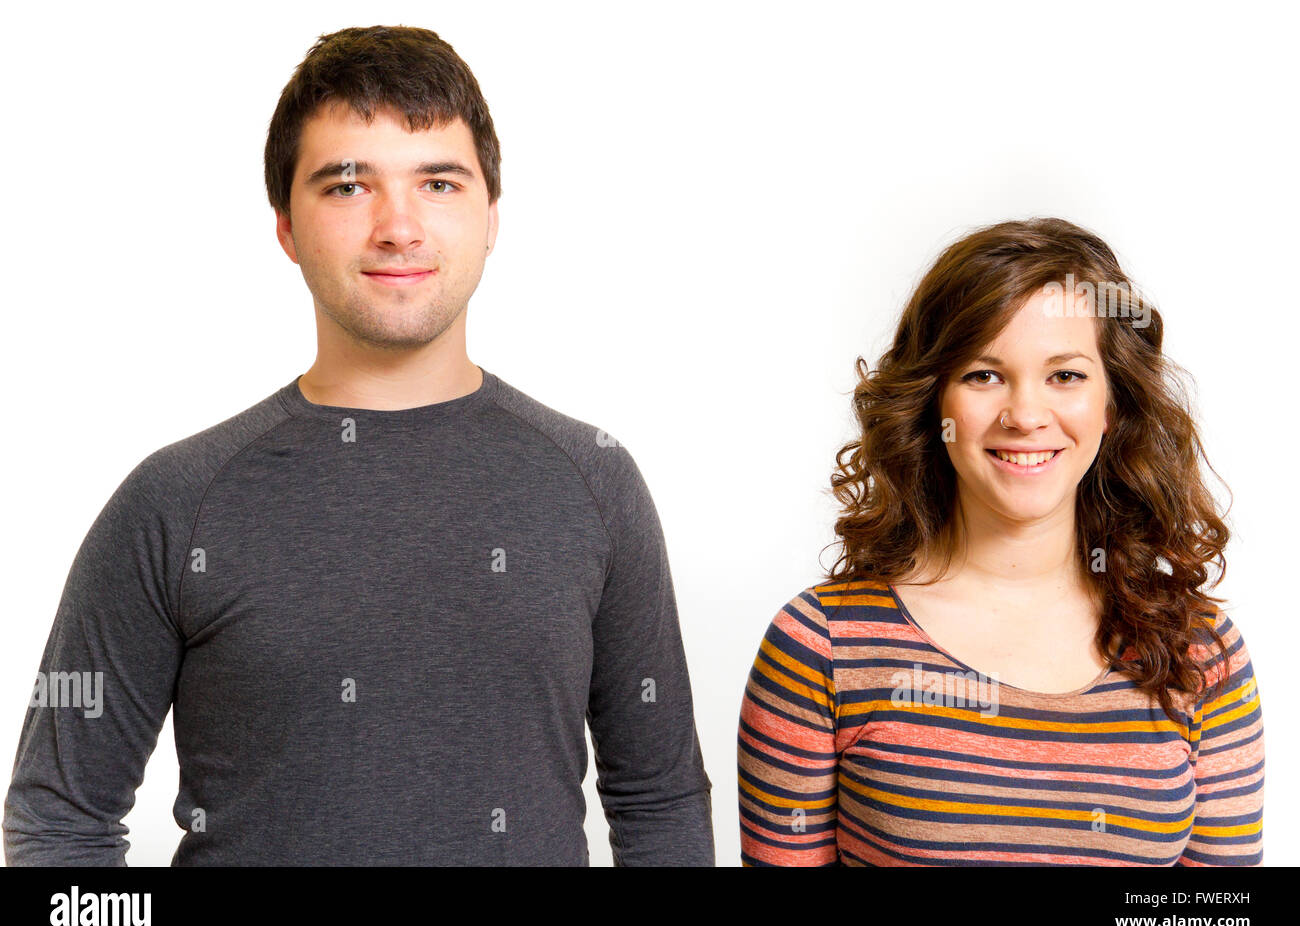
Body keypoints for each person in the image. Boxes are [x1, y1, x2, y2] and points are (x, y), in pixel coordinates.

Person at [4, 24, 713, 866]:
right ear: (285, 227)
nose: (398, 226)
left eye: (439, 182)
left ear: (492, 218)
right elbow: (59, 823)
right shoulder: (173, 501)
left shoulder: (596, 483)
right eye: (347, 186)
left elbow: (660, 802)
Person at [737, 218, 1263, 866]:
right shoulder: (822, 647)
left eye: (1065, 376)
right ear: (934, 403)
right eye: (984, 375)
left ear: (1113, 405)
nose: (1025, 415)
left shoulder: (1200, 651)